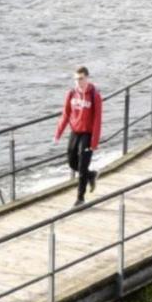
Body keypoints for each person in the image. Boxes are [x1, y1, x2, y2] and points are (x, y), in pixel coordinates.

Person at [53, 65, 102, 207]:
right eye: (76, 79)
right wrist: (58, 134)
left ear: (87, 78)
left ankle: (80, 198)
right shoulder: (71, 93)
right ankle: (91, 175)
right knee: (71, 162)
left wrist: (94, 142)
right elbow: (66, 114)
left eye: (81, 79)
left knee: (82, 165)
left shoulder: (95, 95)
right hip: (75, 131)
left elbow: (98, 119)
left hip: (87, 133)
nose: (78, 82)